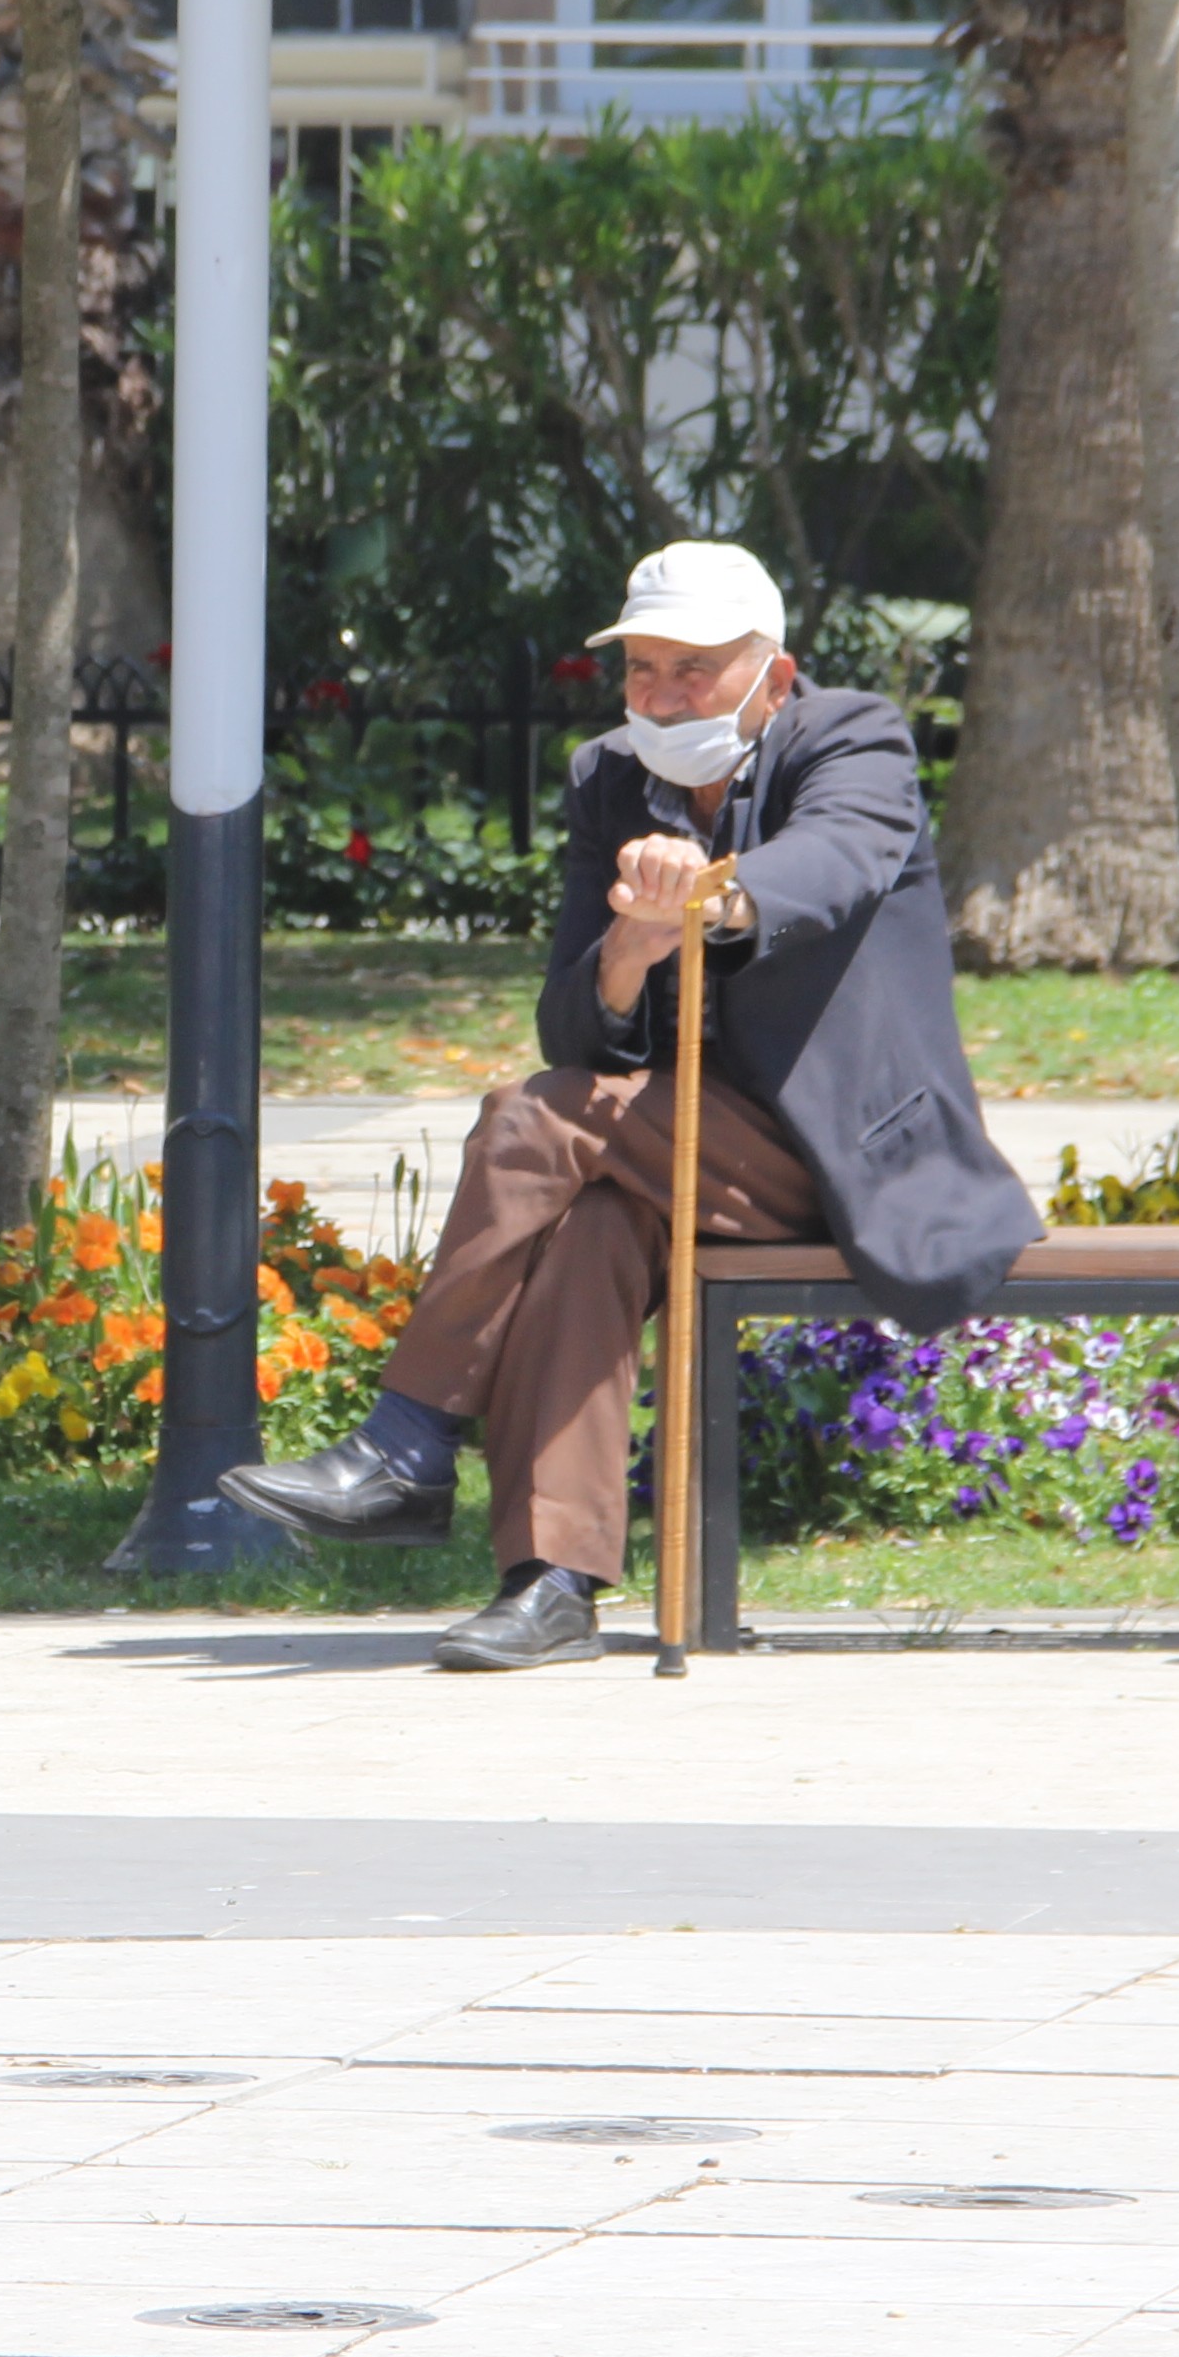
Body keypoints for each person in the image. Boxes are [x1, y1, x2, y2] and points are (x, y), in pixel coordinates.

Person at [221, 541, 1041, 1667]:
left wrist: (706, 897)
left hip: (840, 1162)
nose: (663, 697)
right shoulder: (608, 778)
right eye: (643, 671)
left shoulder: (850, 737)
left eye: (695, 670)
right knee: (590, 1235)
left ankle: (408, 1445)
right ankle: (550, 1584)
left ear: (775, 672)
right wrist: (628, 948)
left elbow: (837, 862)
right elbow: (575, 1026)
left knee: (536, 1114)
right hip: (670, 1143)